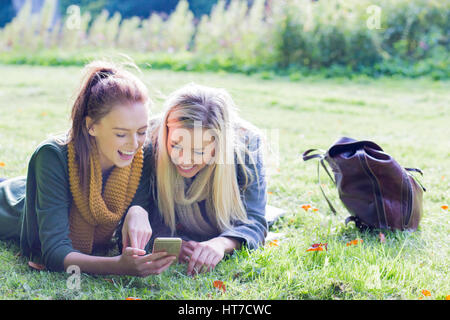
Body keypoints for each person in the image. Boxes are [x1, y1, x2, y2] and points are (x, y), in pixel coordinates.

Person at [0, 60, 176, 276]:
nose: (134, 143)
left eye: (141, 131)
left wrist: (137, 211)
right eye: (121, 134)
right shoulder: (52, 155)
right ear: (91, 126)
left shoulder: (142, 154)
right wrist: (118, 266)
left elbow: (128, 240)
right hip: (10, 205)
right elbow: (54, 253)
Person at [141, 83, 268, 276]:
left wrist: (221, 243)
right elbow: (139, 211)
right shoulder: (148, 140)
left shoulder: (248, 145)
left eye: (199, 151)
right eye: (175, 145)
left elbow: (255, 220)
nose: (183, 159)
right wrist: (173, 243)